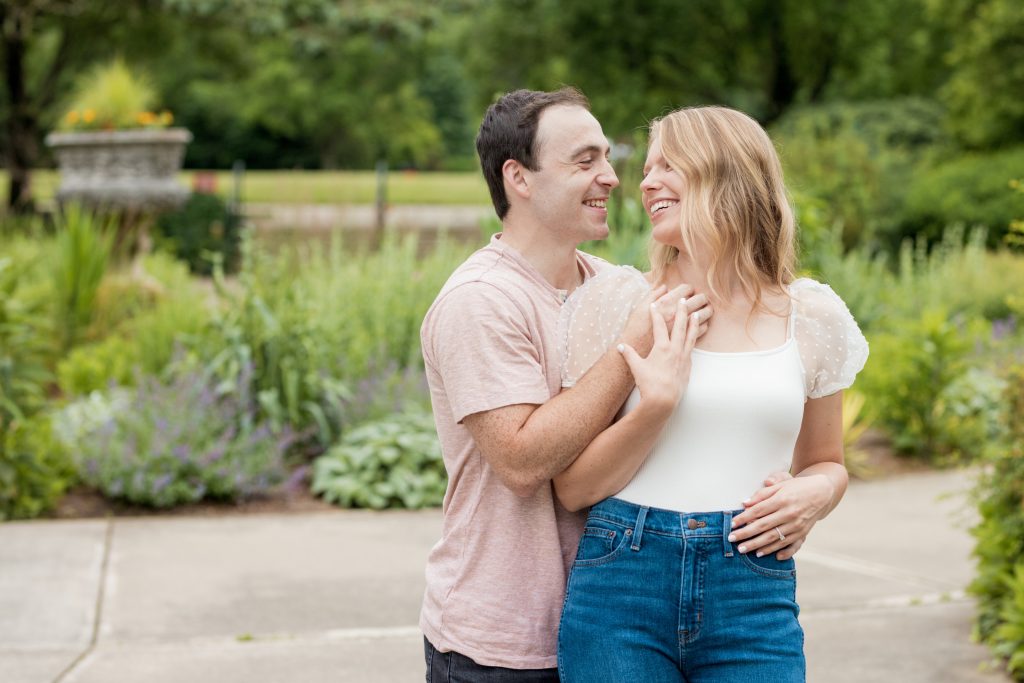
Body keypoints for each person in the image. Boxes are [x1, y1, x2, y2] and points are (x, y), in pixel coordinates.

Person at [554, 106, 869, 682]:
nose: (645, 183)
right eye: (646, 169)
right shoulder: (617, 304)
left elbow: (826, 463)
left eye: (668, 165)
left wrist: (816, 494)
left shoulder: (813, 316)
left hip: (753, 591)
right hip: (621, 587)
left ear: (728, 175)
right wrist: (656, 405)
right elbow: (574, 488)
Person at [418, 88, 713, 681]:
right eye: (584, 161)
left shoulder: (613, 286)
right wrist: (631, 348)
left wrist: (813, 484)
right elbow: (523, 461)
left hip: (616, 631)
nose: (609, 176)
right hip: (502, 645)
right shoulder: (481, 302)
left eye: (607, 158)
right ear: (518, 178)